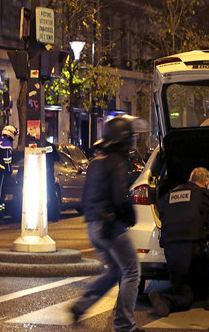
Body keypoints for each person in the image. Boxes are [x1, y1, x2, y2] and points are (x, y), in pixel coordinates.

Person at [70, 116, 144, 332]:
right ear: (124, 140)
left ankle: (81, 305)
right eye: (130, 138)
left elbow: (83, 201)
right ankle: (124, 325)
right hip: (110, 226)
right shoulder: (115, 162)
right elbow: (121, 198)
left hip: (93, 225)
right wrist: (130, 218)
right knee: (132, 271)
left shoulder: (96, 162)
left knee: (114, 271)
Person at [149, 167, 209, 317]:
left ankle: (165, 301)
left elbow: (161, 214)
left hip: (171, 252)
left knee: (185, 297)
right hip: (194, 249)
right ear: (206, 183)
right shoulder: (204, 194)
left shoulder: (169, 195)